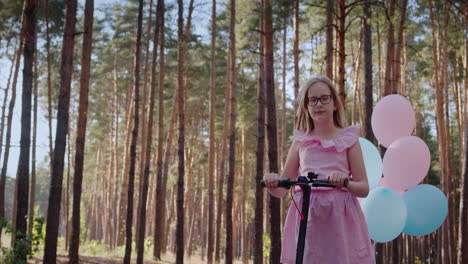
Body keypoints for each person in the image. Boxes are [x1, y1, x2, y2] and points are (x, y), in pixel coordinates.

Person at [263, 75, 374, 264]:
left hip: (340, 216)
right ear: (306, 106)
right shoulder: (301, 141)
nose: (318, 104)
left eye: (324, 98)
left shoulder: (349, 139)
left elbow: (364, 188)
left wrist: (346, 183)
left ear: (335, 103)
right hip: (308, 214)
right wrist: (272, 182)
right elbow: (282, 190)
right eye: (312, 100)